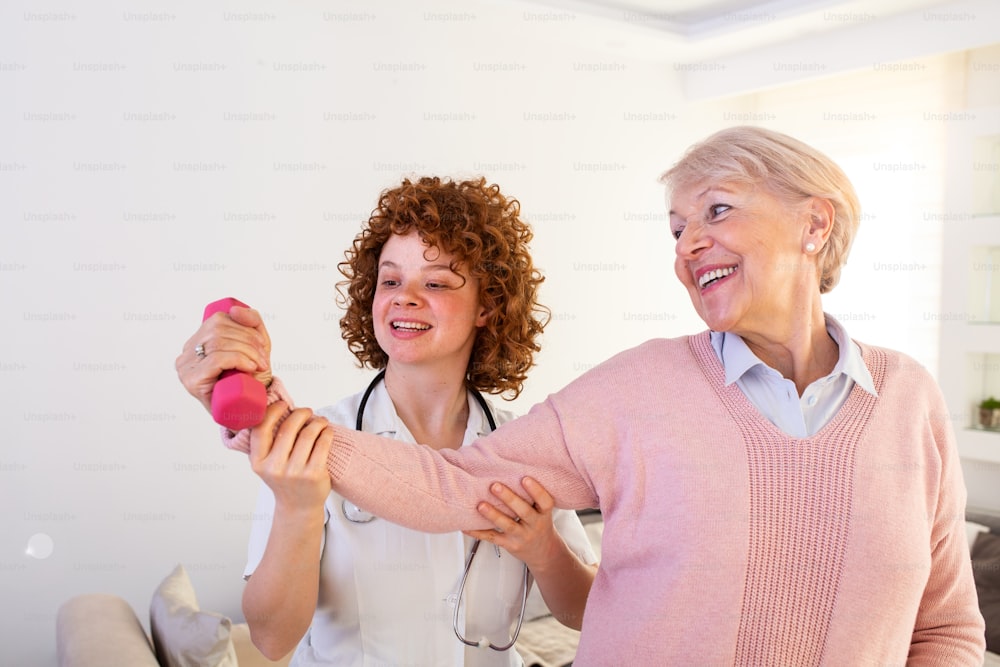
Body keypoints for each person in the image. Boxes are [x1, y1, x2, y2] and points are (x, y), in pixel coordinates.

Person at [187, 127, 987, 665]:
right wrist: (270, 415)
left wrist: (539, 545)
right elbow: (446, 485)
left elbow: (946, 627)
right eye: (675, 227)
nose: (688, 243)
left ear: (817, 225)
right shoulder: (633, 391)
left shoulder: (910, 399)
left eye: (715, 210)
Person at [176, 176, 598, 666]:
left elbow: (586, 612)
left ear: (487, 306)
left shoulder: (524, 445)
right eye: (391, 280)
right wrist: (298, 508)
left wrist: (542, 546)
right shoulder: (313, 444)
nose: (404, 296)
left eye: (436, 282)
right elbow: (272, 640)